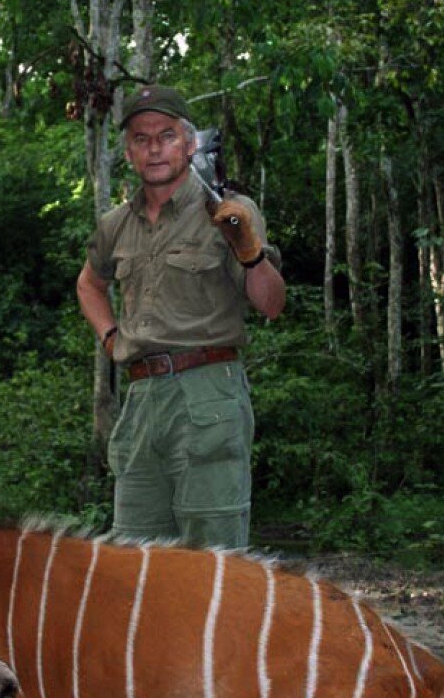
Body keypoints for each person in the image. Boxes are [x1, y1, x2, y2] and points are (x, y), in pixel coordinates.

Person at [76, 85, 286, 549]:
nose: (154, 148)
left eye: (166, 135)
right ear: (128, 151)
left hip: (207, 393)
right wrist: (112, 338)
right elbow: (89, 283)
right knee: (135, 565)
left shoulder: (230, 211)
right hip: (140, 399)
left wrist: (250, 252)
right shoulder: (115, 225)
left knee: (217, 565)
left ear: (189, 143)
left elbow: (271, 304)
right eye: (141, 138)